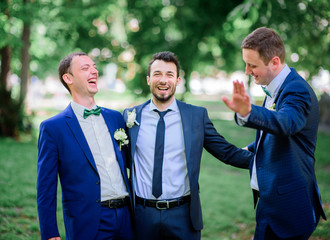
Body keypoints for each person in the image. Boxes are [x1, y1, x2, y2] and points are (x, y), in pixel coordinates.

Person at [122, 51, 253, 240]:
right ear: (148, 79)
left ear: (178, 80)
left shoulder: (195, 116)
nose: (163, 80)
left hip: (182, 215)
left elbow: (227, 153)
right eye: (157, 74)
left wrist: (265, 158)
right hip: (141, 215)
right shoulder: (130, 116)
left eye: (169, 74)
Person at [222, 27, 327, 239]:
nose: (246, 70)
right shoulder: (273, 88)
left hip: (289, 210)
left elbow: (286, 123)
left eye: (252, 65)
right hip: (269, 204)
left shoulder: (297, 90)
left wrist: (249, 111)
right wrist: (248, 150)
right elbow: (273, 137)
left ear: (275, 62)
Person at [37, 52, 133, 240]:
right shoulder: (52, 128)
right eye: (85, 68)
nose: (94, 71)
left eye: (95, 67)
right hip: (89, 222)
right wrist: (49, 232)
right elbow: (45, 187)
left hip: (127, 218)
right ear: (68, 78)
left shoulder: (115, 118)